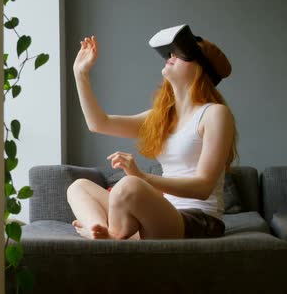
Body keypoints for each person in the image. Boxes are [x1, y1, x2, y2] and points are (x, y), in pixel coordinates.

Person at [67, 29, 238, 240]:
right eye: (171, 53)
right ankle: (99, 232)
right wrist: (80, 74)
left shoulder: (215, 114)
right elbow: (99, 123)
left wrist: (142, 178)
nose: (171, 56)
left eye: (181, 54)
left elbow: (203, 187)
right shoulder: (162, 117)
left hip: (199, 219)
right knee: (79, 187)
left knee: (129, 186)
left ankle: (114, 235)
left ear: (201, 69)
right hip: (163, 213)